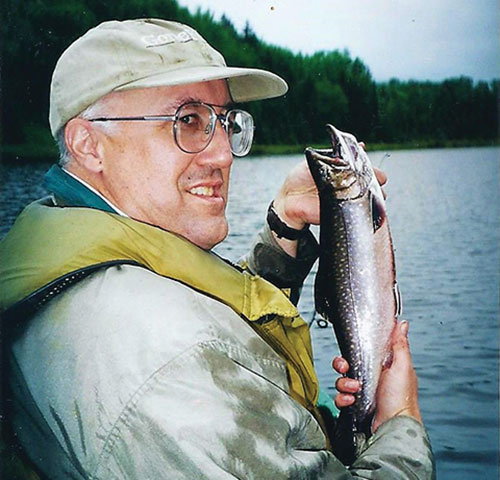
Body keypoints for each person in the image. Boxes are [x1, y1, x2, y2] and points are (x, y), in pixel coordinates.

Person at [0, 18, 435, 479]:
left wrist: (284, 227)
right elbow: (189, 349)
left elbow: (207, 318)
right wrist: (399, 424)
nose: (223, 153)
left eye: (225, 123)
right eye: (188, 120)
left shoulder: (68, 230)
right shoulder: (164, 365)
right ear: (89, 145)